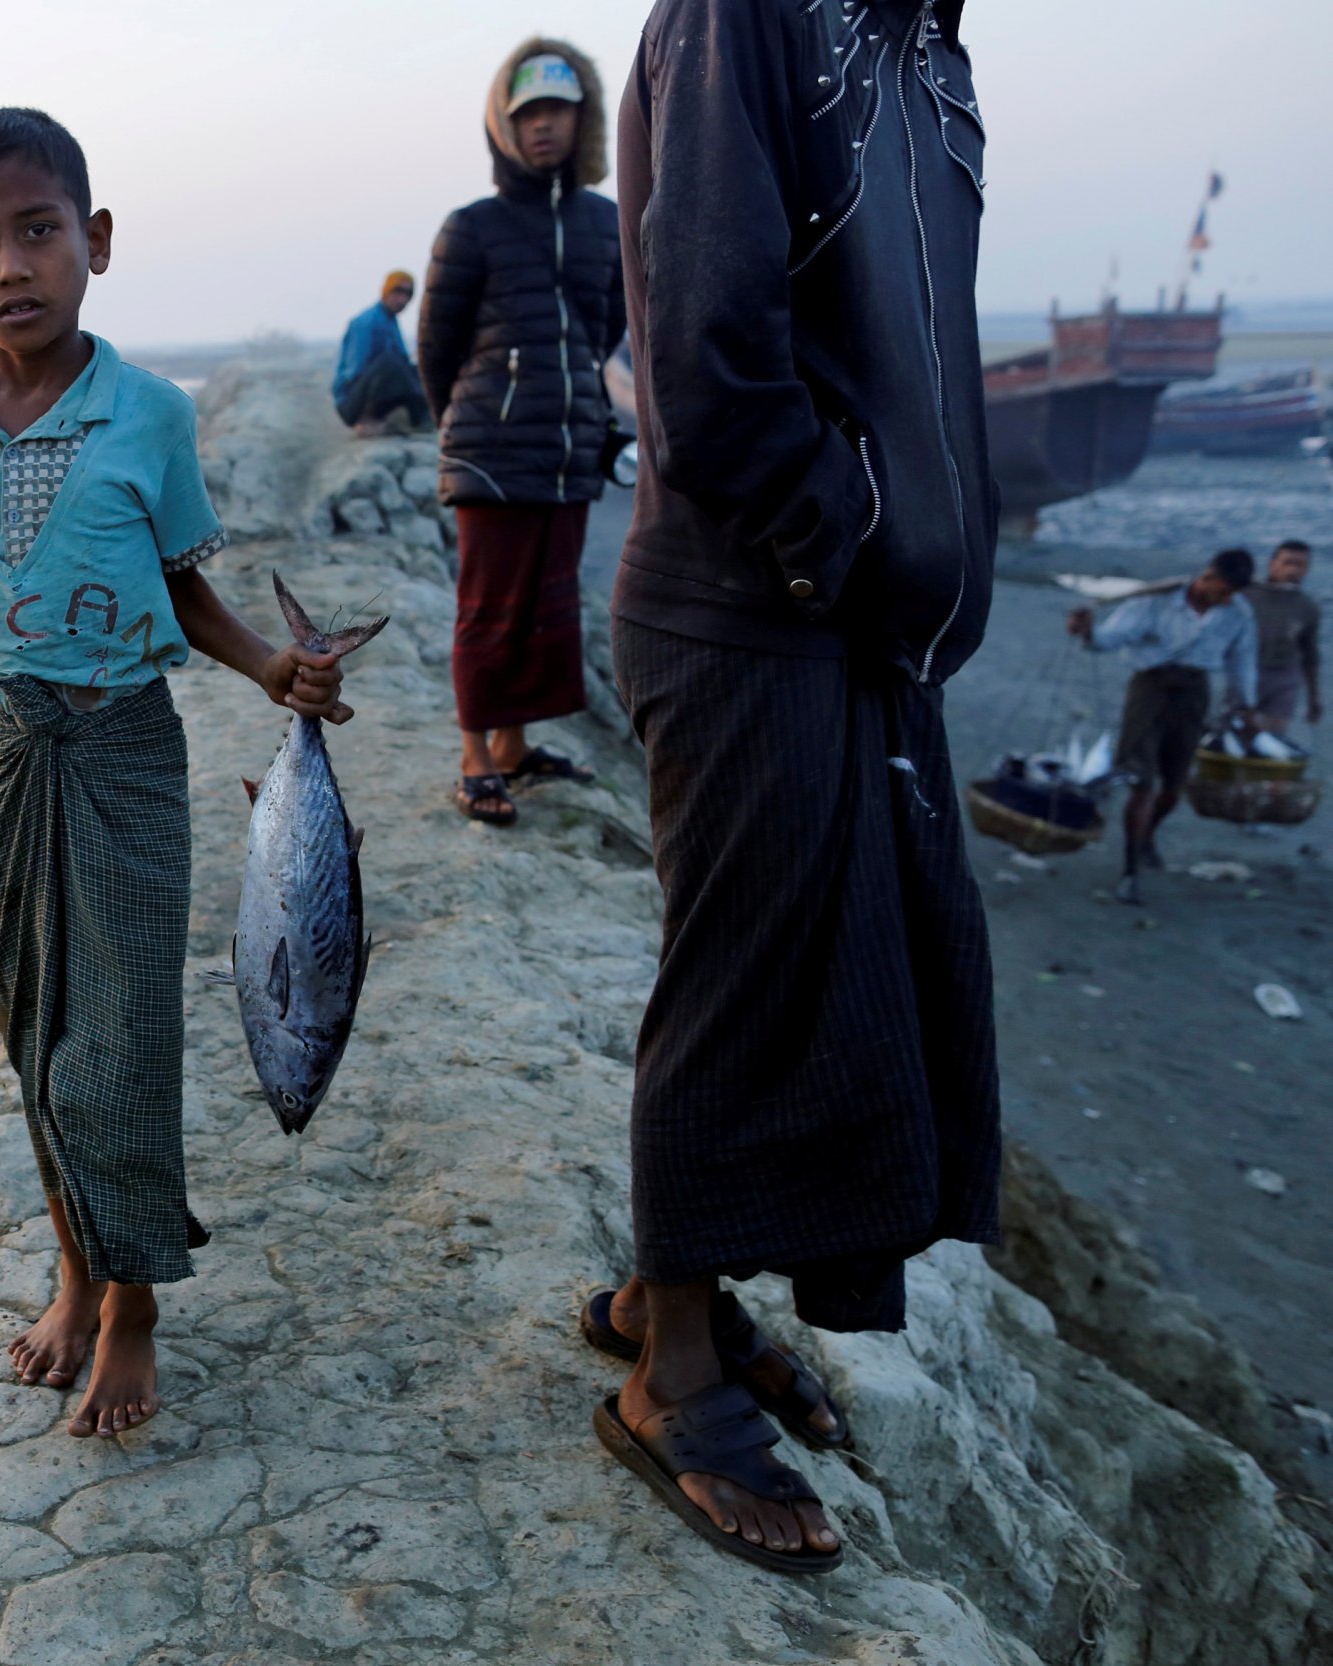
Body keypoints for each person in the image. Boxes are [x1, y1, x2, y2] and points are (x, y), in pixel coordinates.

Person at [0, 108, 356, 1439]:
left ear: (93, 243)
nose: (12, 265)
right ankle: (76, 1270)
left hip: (127, 744)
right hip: (7, 750)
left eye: (38, 232)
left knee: (126, 1031)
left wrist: (272, 670)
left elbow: (185, 591)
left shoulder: (145, 411)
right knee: (34, 1031)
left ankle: (135, 1304)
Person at [599, 0, 1003, 1572]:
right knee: (741, 988)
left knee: (847, 986)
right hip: (746, 608)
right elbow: (704, 341)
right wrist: (844, 532)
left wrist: (927, 560)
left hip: (862, 624)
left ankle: (660, 1287)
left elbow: (920, 342)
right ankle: (668, 1373)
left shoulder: (930, 53)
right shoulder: (742, 12)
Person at [417, 38, 624, 829]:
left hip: (568, 448)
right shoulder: (471, 227)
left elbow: (609, 326)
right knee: (489, 609)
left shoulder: (605, 223)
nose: (543, 127)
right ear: (504, 126)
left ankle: (513, 746)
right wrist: (474, 426)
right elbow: (436, 347)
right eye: (527, 113)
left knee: (547, 607)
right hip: (492, 453)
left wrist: (564, 399)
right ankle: (475, 759)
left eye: (558, 112)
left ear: (584, 121)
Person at [1068, 547, 1260, 903]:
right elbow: (1108, 640)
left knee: (1173, 785)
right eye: (1224, 590)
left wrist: (1246, 706)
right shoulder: (1155, 601)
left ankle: (1146, 837)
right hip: (1149, 689)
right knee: (1141, 782)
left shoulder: (1238, 612)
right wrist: (1087, 632)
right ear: (1209, 577)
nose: (1227, 598)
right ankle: (1130, 870)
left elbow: (1242, 660)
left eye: (1234, 593)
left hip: (1193, 694)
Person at [331, 272, 430, 435]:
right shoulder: (367, 322)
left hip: (376, 388)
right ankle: (368, 422)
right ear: (386, 291)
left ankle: (422, 417)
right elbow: (354, 372)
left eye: (407, 295)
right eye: (397, 292)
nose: (402, 300)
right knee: (390, 362)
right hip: (351, 401)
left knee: (420, 368)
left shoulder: (390, 320)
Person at [1247, 539, 1320, 736]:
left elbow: (1310, 654)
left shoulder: (1308, 607)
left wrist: (1314, 698)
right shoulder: (1246, 594)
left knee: (1273, 733)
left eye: (1300, 565)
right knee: (1241, 728)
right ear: (1272, 564)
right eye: (1287, 563)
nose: (1293, 570)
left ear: (1307, 569)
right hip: (1247, 669)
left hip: (1284, 675)